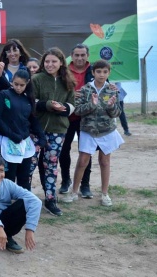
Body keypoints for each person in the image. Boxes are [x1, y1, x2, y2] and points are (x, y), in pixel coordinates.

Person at [62, 60, 124, 207]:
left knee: (104, 161)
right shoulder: (85, 90)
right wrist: (92, 105)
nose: (101, 75)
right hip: (88, 130)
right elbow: (78, 110)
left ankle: (104, 194)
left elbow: (117, 113)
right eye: (98, 71)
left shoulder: (112, 90)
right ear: (93, 72)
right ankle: (74, 192)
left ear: (108, 73)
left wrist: (110, 107)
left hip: (106, 131)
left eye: (105, 72)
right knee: (83, 161)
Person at [33, 47, 75, 216]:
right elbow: (30, 102)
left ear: (61, 63)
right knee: (30, 165)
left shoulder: (68, 82)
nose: (50, 64)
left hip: (58, 130)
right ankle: (25, 200)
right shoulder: (36, 79)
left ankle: (50, 199)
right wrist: (48, 104)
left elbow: (73, 105)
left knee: (51, 166)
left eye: (54, 61)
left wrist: (64, 108)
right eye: (47, 61)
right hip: (36, 130)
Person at [0, 69, 46, 191]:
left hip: (24, 142)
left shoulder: (28, 98)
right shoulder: (4, 95)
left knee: (24, 177)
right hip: (8, 141)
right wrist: (11, 134)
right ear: (12, 81)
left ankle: (25, 204)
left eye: (22, 85)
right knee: (9, 177)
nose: (18, 87)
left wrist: (41, 136)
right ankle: (7, 205)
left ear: (27, 83)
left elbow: (32, 119)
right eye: (15, 84)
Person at [58, 43, 95, 198]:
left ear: (87, 56)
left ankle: (85, 185)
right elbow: (58, 90)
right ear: (71, 56)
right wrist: (72, 93)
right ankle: (65, 181)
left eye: (83, 55)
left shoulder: (94, 70)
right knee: (63, 150)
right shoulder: (64, 71)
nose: (80, 58)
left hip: (86, 119)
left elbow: (102, 87)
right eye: (77, 55)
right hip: (67, 117)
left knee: (86, 152)